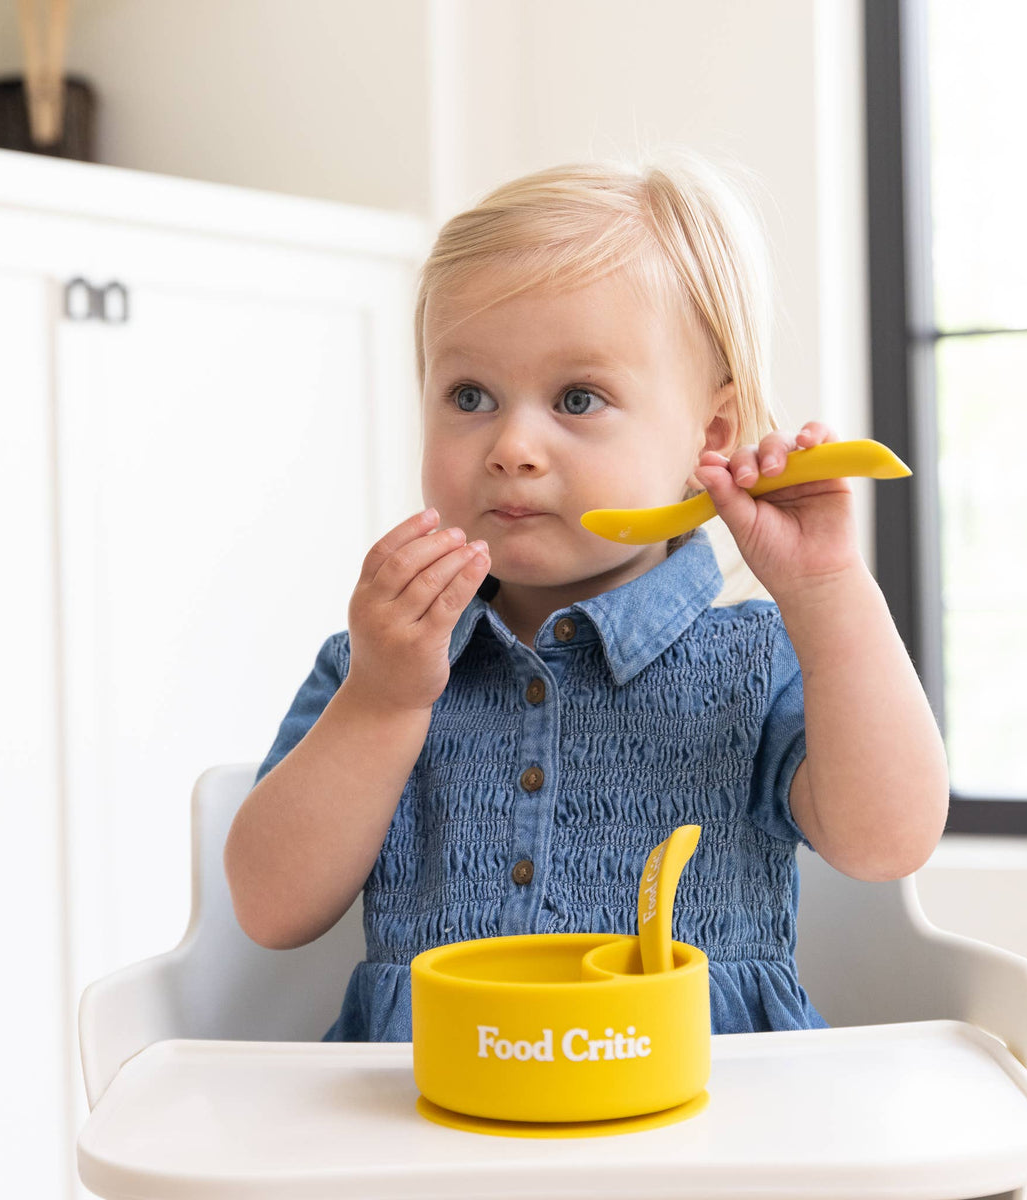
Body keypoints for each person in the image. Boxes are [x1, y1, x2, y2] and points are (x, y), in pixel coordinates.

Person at [223, 150, 949, 1041]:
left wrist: (826, 588)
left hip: (707, 1131)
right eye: (470, 395)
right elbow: (268, 908)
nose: (512, 445)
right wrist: (383, 700)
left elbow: (890, 841)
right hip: (434, 1132)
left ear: (709, 434)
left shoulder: (758, 659)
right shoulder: (374, 665)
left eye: (577, 397)